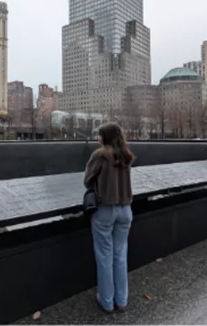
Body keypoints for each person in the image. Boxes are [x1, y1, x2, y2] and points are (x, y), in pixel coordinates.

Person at [84, 122, 135, 313]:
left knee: (104, 256)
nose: (98, 138)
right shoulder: (127, 155)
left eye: (100, 135)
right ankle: (121, 301)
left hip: (105, 210)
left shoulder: (100, 154)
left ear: (105, 137)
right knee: (120, 255)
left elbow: (87, 180)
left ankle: (106, 301)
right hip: (125, 211)